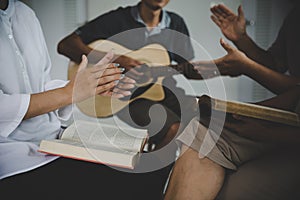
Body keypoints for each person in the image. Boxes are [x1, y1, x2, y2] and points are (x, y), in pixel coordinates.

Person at [0, 0, 170, 199]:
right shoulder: (117, 18)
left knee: (152, 169)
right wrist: (70, 92)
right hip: (13, 157)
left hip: (53, 140)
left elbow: (40, 86)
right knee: (141, 183)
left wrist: (91, 86)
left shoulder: (25, 14)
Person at [164, 2, 300, 199]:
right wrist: (242, 40)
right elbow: (277, 63)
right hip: (289, 115)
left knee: (203, 134)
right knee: (201, 130)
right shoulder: (295, 14)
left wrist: (247, 67)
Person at [57, 0, 199, 151]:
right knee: (173, 129)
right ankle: (150, 171)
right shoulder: (117, 20)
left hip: (163, 91)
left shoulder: (176, 23)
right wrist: (116, 59)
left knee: (202, 120)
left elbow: (187, 68)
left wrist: (219, 67)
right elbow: (66, 45)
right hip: (126, 99)